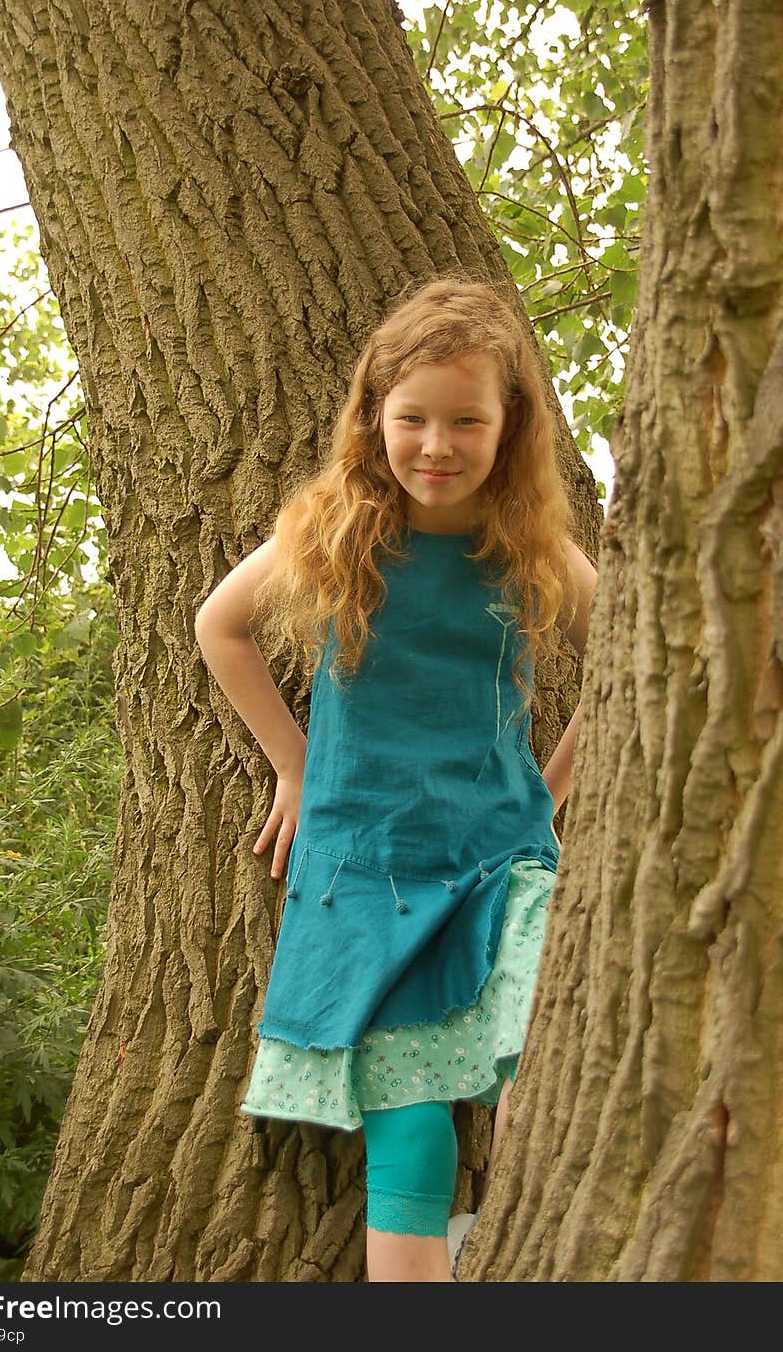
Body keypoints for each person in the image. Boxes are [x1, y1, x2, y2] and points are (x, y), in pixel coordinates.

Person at [194, 275, 598, 1282]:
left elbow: (634, 652)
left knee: (544, 1088)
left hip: (502, 860)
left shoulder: (529, 547)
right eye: (412, 417)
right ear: (373, 417)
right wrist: (292, 761)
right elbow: (220, 626)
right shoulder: (336, 532)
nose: (436, 444)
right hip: (368, 871)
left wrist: (550, 788)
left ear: (510, 428)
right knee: (412, 1139)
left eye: (468, 420)